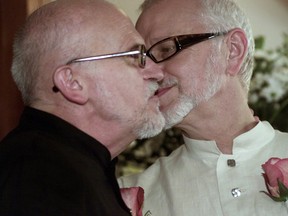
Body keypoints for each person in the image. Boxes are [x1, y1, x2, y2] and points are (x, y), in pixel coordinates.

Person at [118, 0, 288, 215]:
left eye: (166, 48)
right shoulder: (128, 198)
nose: (148, 72)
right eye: (142, 60)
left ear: (232, 51)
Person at [0, 0, 166, 215]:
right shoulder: (40, 178)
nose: (157, 72)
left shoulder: (70, 168)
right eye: (136, 56)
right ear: (73, 83)